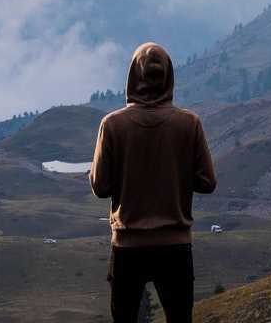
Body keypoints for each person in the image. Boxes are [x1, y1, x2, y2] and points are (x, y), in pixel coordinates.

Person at [90, 42, 217, 322]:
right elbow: (207, 181)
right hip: (175, 246)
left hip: (127, 247)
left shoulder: (112, 125)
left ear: (134, 75)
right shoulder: (189, 124)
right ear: (169, 76)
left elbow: (100, 187)